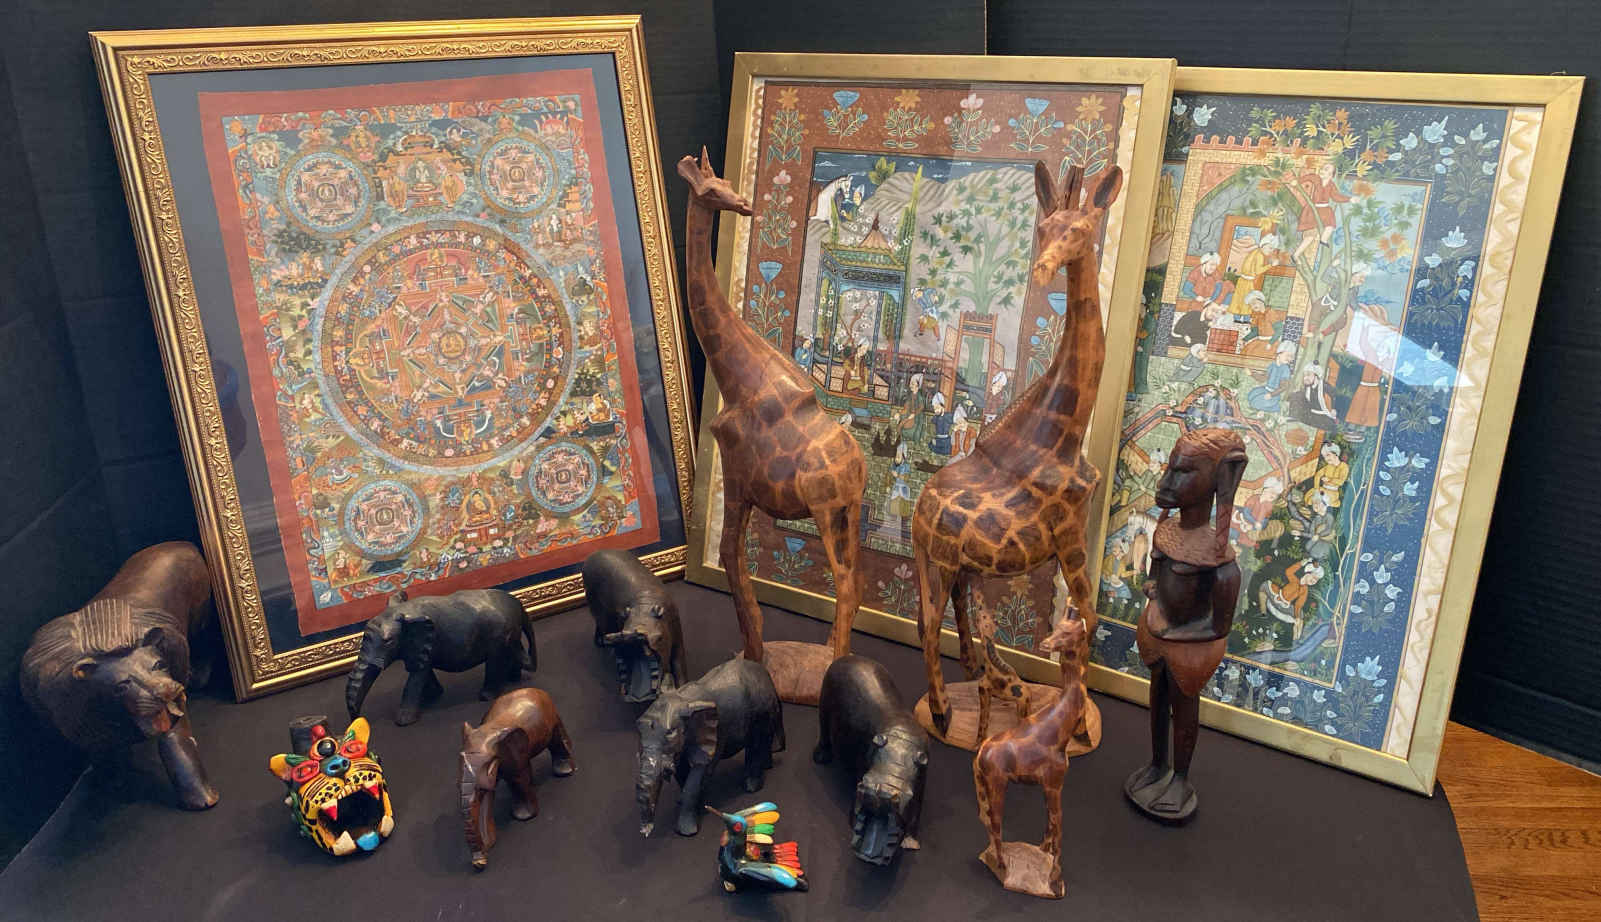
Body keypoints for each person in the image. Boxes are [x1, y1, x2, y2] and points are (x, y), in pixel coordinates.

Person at [1293, 161, 1354, 267]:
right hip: (1313, 210)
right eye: (1322, 168)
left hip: (1325, 210)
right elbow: (1308, 177)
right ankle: (1295, 255)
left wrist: (1349, 199)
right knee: (1309, 236)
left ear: (1331, 175)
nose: (1322, 170)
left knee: (1330, 224)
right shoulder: (1316, 179)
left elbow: (1336, 197)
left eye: (1326, 169)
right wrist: (1296, 181)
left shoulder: (1331, 185)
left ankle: (1323, 239)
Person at [1259, 559, 1324, 645]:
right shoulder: (1295, 579)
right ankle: (1263, 611)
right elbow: (1288, 571)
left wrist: (1297, 617)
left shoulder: (1304, 590)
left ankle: (1296, 640)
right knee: (1265, 585)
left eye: (1316, 580)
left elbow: (1298, 604)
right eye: (1313, 577)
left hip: (1285, 606)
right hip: (1276, 596)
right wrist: (1301, 563)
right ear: (1307, 573)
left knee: (1300, 615)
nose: (1314, 581)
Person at [1229, 233, 1282, 316]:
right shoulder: (1260, 255)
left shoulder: (1256, 252)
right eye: (1270, 248)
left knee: (1239, 300)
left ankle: (1237, 316)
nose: (1271, 251)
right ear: (1263, 245)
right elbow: (1258, 271)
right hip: (1247, 282)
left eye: (1272, 249)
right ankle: (1243, 317)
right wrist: (1271, 265)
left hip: (1242, 279)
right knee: (1248, 301)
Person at [1247, 340, 1298, 414]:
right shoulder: (1272, 365)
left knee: (1254, 403)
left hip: (1274, 395)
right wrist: (1252, 374)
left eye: (1291, 356)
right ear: (1279, 353)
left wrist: (1271, 395)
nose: (1289, 359)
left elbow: (1283, 387)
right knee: (1250, 396)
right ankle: (1267, 404)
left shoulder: (1285, 369)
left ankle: (1275, 407)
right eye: (1287, 355)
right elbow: (1263, 378)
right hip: (1265, 390)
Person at [1307, 441, 1349, 509]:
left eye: (1328, 455)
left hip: (1332, 492)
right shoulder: (1328, 466)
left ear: (1335, 454)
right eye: (1324, 457)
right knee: (1308, 499)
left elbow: (1341, 482)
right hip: (1322, 489)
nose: (1326, 459)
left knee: (1318, 503)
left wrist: (1329, 479)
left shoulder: (1344, 467)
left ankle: (1332, 503)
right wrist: (1316, 489)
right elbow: (1318, 475)